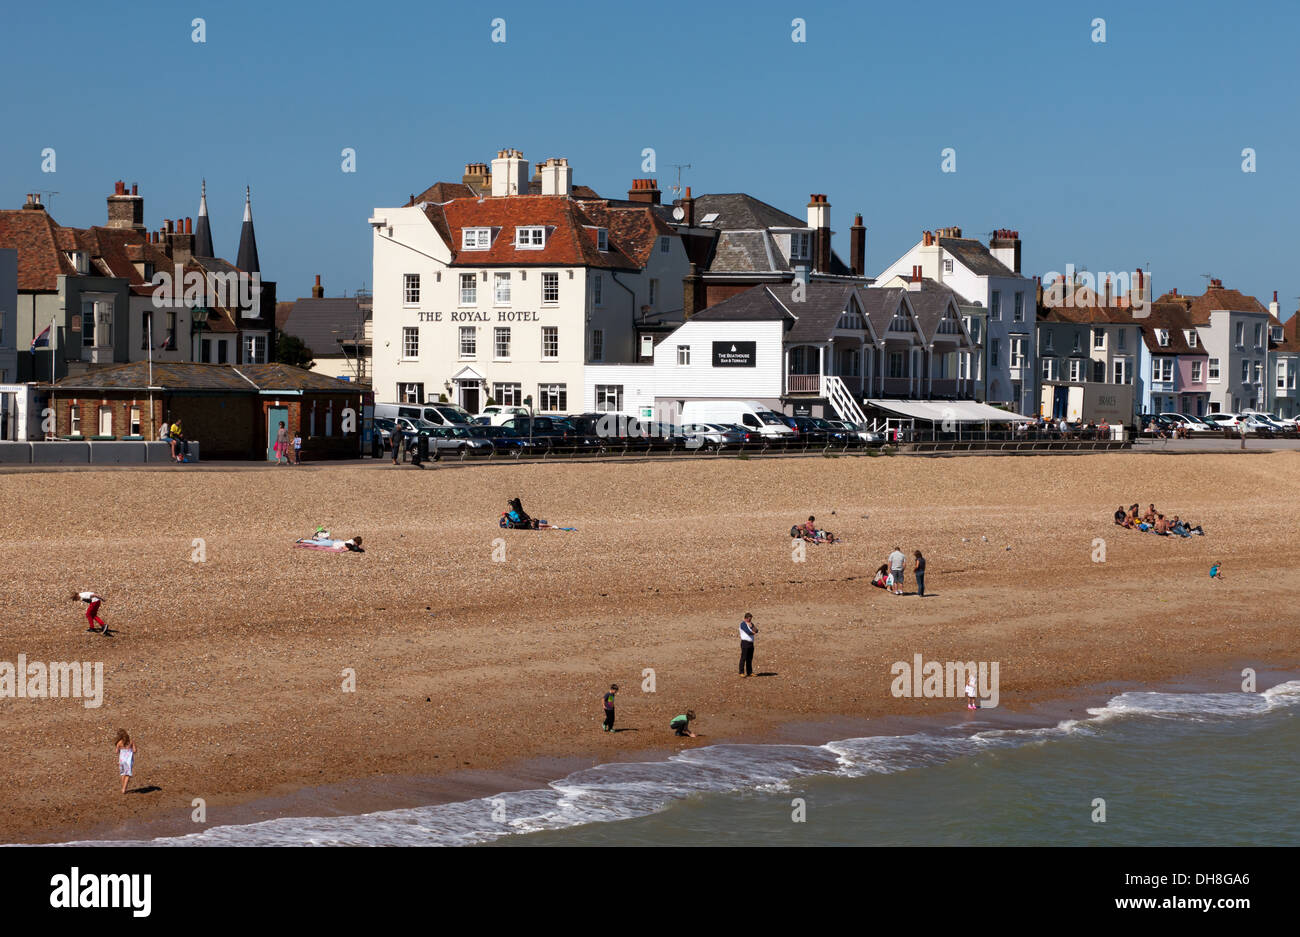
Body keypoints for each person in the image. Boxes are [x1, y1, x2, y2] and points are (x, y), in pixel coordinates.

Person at [115, 729, 135, 794]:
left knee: (123, 773)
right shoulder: (131, 741)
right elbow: (134, 750)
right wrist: (130, 749)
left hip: (121, 760)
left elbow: (116, 751)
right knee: (127, 774)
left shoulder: (119, 743)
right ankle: (124, 789)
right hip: (128, 760)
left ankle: (123, 787)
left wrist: (121, 749)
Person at [739, 612, 757, 677]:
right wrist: (753, 632)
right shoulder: (742, 624)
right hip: (745, 643)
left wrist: (752, 626)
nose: (750, 620)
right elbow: (748, 632)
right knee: (743, 657)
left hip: (751, 643)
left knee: (749, 658)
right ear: (745, 618)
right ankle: (741, 672)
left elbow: (756, 630)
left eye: (750, 619)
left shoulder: (751, 624)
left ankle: (749, 672)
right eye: (749, 619)